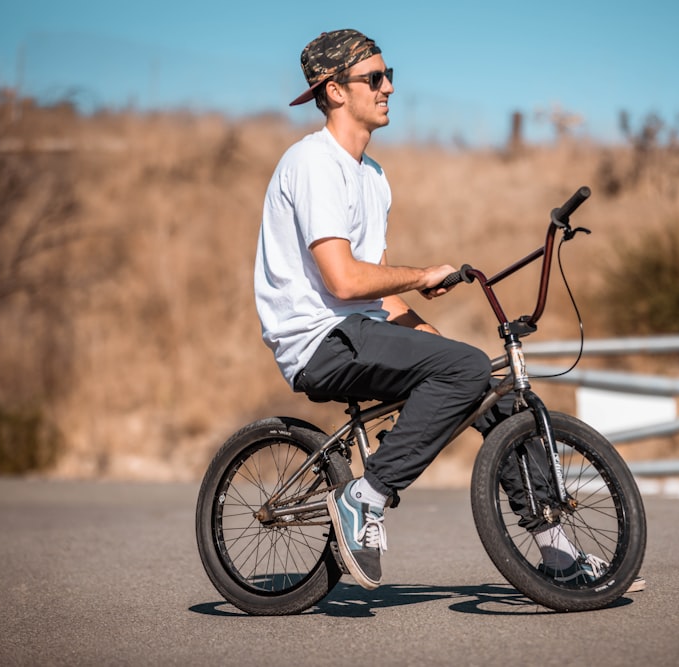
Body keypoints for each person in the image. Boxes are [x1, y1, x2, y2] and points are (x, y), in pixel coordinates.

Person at [254, 28, 643, 594]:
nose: (389, 87)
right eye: (375, 78)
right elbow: (343, 278)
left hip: (359, 327)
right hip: (317, 339)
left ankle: (556, 551)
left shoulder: (374, 178)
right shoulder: (313, 163)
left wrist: (439, 345)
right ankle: (365, 498)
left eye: (391, 76)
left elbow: (380, 297)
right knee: (463, 368)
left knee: (482, 382)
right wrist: (423, 275)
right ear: (334, 91)